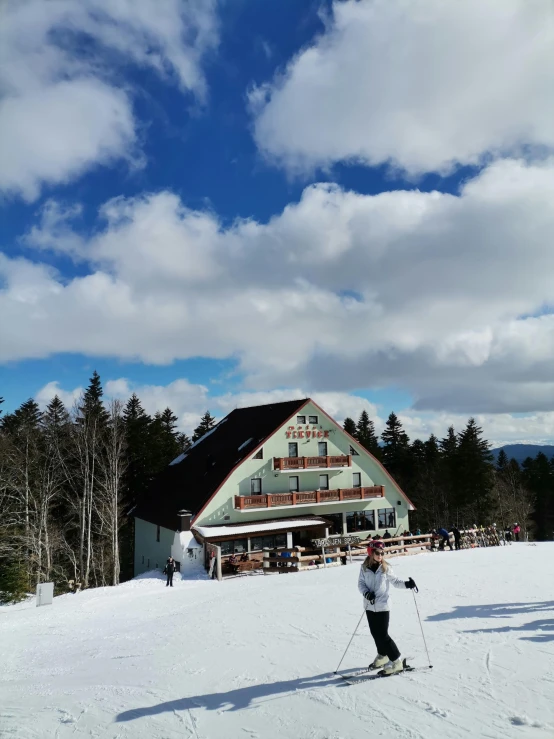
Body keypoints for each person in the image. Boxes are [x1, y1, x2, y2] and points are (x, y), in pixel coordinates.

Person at [357, 540, 417, 675]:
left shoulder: (385, 567)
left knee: (383, 635)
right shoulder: (364, 568)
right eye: (377, 553)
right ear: (371, 553)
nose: (380, 556)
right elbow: (361, 583)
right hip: (369, 606)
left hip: (383, 606)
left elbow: (395, 581)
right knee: (375, 634)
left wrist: (408, 584)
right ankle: (383, 655)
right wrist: (366, 593)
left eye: (382, 553)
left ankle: (397, 661)